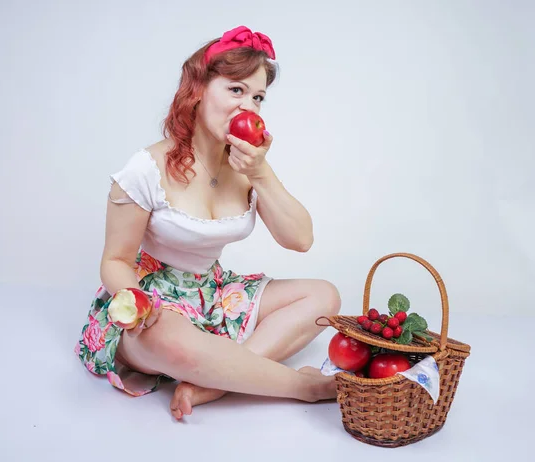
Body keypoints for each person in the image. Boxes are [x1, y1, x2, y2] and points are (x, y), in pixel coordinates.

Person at [75, 25, 342, 420]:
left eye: (258, 97)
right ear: (198, 89)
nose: (248, 107)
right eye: (235, 90)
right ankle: (302, 387)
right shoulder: (146, 168)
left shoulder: (246, 166)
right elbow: (115, 261)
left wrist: (261, 171)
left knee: (325, 297)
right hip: (150, 297)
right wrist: (140, 305)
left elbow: (300, 239)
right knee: (172, 341)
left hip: (211, 294)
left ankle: (213, 382)